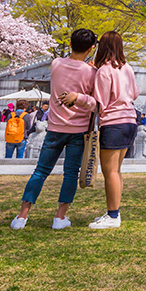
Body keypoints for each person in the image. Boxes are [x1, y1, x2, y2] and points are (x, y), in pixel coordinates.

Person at [12, 28, 99, 231]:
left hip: (55, 127)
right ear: (91, 49)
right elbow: (95, 103)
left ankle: (22, 216)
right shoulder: (91, 73)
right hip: (78, 129)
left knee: (41, 171)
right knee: (70, 173)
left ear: (70, 45)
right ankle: (60, 217)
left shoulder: (57, 63)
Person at [82, 30, 139, 229]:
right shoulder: (128, 68)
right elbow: (136, 93)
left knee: (110, 172)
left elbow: (100, 102)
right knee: (116, 170)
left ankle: (113, 216)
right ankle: (113, 213)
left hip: (113, 122)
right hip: (130, 120)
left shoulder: (104, 70)